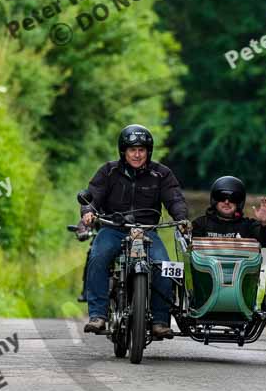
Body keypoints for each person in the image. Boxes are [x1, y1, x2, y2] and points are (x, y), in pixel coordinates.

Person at [80, 124, 189, 338]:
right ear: (123, 151)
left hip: (147, 231)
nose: (137, 154)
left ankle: (159, 321)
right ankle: (98, 315)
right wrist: (88, 211)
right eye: (132, 150)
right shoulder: (108, 171)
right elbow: (92, 196)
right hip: (114, 228)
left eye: (141, 150)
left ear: (149, 151)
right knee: (97, 257)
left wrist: (181, 218)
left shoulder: (162, 174)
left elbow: (175, 199)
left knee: (164, 266)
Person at [191, 175, 266, 247]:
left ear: (239, 202)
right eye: (222, 197)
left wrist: (265, 224)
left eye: (232, 198)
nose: (227, 202)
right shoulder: (200, 224)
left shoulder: (248, 226)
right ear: (214, 200)